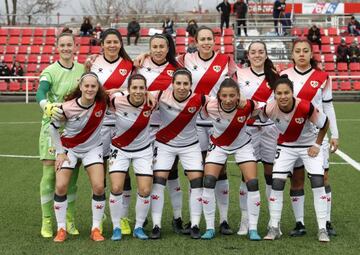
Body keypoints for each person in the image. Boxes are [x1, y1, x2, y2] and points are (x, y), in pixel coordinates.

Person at [281, 38, 339, 238]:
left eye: (306, 50)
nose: (302, 54)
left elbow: (328, 106)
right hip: (292, 136)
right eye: (298, 51)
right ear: (293, 54)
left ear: (311, 54)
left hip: (317, 136)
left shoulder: (322, 76)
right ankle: (299, 223)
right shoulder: (284, 75)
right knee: (296, 179)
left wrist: (335, 134)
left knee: (322, 178)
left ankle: (327, 221)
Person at [263, 75, 330, 242]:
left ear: (292, 93)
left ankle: (322, 228)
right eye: (279, 93)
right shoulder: (269, 108)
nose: (283, 96)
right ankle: (274, 226)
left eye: (286, 93)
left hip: (308, 146)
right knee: (277, 183)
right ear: (274, 94)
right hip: (286, 147)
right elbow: (256, 117)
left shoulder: (305, 106)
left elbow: (325, 123)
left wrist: (317, 145)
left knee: (317, 181)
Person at [136, 34, 188, 234]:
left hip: (168, 128)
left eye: (161, 46)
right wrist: (145, 53)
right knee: (147, 175)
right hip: (141, 128)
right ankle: (145, 218)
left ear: (168, 48)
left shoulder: (177, 67)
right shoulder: (139, 65)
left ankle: (177, 218)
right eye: (154, 47)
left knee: (171, 174)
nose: (158, 50)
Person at [36, 32, 85, 239]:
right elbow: (41, 91)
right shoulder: (50, 70)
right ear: (57, 47)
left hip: (74, 130)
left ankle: (69, 219)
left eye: (69, 45)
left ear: (75, 47)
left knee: (71, 177)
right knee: (49, 174)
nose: (66, 48)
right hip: (51, 129)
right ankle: (47, 220)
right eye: (62, 45)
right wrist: (46, 105)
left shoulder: (82, 69)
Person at [49, 72, 108, 242]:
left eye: (93, 86)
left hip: (92, 148)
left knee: (98, 187)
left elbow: (120, 94)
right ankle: (61, 229)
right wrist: (60, 152)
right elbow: (53, 128)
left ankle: (95, 228)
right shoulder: (66, 107)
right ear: (81, 87)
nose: (90, 89)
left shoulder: (103, 103)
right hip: (69, 149)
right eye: (87, 86)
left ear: (98, 88)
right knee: (60, 186)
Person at [200, 78, 261, 241]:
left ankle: (253, 228)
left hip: (243, 145)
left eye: (232, 96)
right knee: (209, 181)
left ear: (238, 96)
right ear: (219, 95)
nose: (228, 100)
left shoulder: (248, 105)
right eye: (224, 96)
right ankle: (210, 227)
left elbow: (262, 110)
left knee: (253, 182)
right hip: (218, 145)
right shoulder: (210, 106)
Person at [150, 68, 205, 240]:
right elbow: (135, 92)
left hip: (190, 146)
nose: (181, 87)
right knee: (159, 181)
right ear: (172, 84)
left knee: (197, 182)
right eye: (178, 83)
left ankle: (195, 225)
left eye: (185, 84)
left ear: (191, 85)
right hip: (165, 144)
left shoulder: (200, 98)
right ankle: (156, 225)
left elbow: (224, 101)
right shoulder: (159, 95)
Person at [90, 28, 134, 235]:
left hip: (122, 123)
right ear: (102, 44)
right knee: (101, 170)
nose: (112, 45)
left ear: (120, 44)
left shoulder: (129, 65)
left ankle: (124, 217)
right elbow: (86, 88)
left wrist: (121, 92)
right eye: (108, 42)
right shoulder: (93, 64)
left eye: (115, 42)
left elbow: (136, 90)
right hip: (98, 124)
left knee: (122, 172)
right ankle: (104, 213)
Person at [236, 41, 279, 236]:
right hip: (248, 131)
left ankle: (273, 221)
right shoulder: (239, 74)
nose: (257, 55)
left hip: (270, 131)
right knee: (247, 178)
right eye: (253, 52)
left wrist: (255, 106)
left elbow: (278, 103)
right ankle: (245, 220)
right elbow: (236, 101)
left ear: (266, 54)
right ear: (248, 55)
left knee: (271, 177)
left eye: (261, 52)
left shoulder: (276, 76)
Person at [108, 74, 154, 241]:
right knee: (116, 187)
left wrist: (150, 94)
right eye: (134, 88)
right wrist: (118, 90)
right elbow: (101, 95)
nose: (138, 91)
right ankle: (116, 227)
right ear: (128, 89)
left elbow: (169, 92)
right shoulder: (116, 100)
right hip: (120, 149)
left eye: (142, 88)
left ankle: (139, 227)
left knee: (145, 190)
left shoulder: (152, 101)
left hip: (143, 150)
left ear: (146, 89)